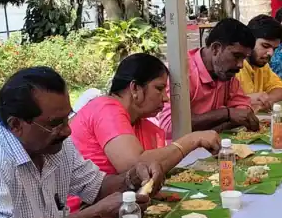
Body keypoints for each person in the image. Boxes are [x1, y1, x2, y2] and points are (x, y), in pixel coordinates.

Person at [0, 67, 162, 218]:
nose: (67, 130)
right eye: (55, 123)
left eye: (68, 117)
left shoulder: (56, 143)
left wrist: (133, 178)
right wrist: (94, 217)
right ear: (16, 125)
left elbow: (97, 187)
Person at [71, 53, 221, 175]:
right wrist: (192, 140)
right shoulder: (106, 109)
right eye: (159, 88)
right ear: (135, 88)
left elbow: (154, 169)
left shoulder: (138, 121)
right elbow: (134, 167)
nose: (165, 98)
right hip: (84, 207)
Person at [156, 18, 259, 140]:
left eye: (244, 58)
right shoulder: (181, 75)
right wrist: (226, 114)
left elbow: (242, 111)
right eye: (236, 56)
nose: (240, 65)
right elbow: (170, 127)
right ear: (216, 48)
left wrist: (214, 123)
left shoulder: (226, 73)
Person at [237, 15, 282, 111]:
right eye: (265, 45)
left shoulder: (262, 65)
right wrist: (246, 101)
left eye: (274, 49)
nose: (271, 53)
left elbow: (280, 88)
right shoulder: (234, 67)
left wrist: (266, 101)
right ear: (249, 41)